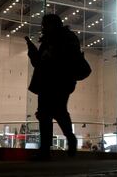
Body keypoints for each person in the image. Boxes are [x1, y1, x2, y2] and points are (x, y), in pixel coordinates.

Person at [26, 14, 80, 159]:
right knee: (53, 112)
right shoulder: (59, 38)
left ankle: (47, 150)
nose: (43, 27)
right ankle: (66, 140)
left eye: (45, 24)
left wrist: (44, 56)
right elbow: (40, 62)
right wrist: (32, 52)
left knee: (51, 113)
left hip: (58, 81)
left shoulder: (63, 38)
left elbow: (61, 59)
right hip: (51, 82)